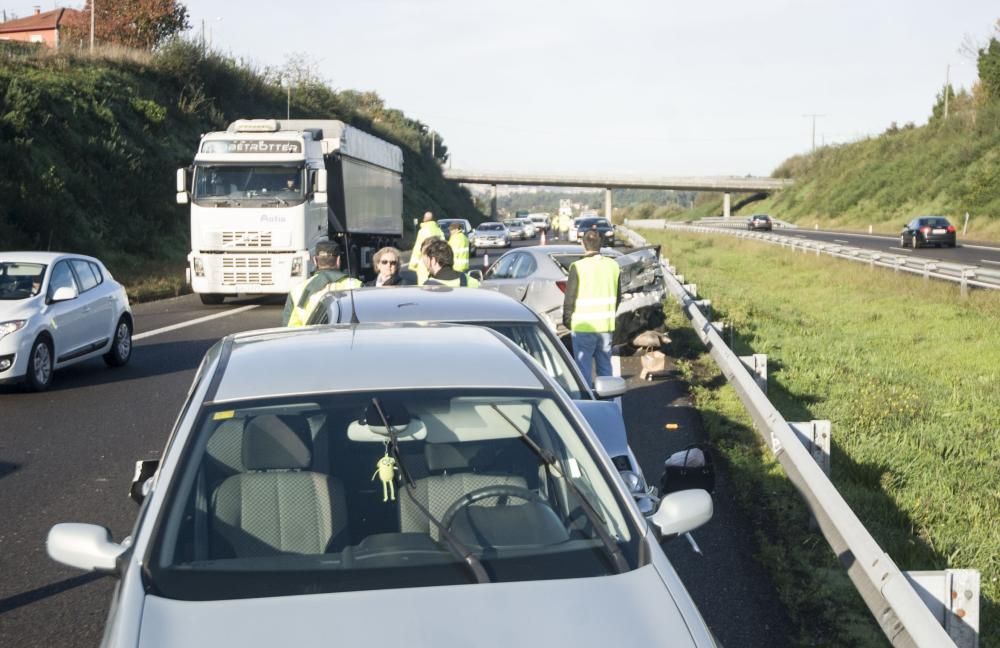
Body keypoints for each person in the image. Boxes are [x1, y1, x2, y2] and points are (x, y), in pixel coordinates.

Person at [562, 230, 621, 388]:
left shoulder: (578, 267)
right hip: (605, 326)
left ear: (583, 244)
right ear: (600, 244)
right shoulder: (613, 266)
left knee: (583, 369)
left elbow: (570, 299)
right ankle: (608, 404)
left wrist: (568, 321)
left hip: (583, 326)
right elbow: (618, 296)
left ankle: (588, 403)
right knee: (605, 368)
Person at [282, 240, 363, 327]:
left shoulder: (297, 291)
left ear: (315, 261)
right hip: (345, 339)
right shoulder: (356, 286)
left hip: (309, 339)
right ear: (338, 260)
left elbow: (289, 329)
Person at [408, 211, 444, 277]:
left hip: (425, 264)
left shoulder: (423, 231)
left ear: (424, 219)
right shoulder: (439, 231)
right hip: (438, 263)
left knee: (424, 285)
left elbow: (418, 248)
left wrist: (413, 264)